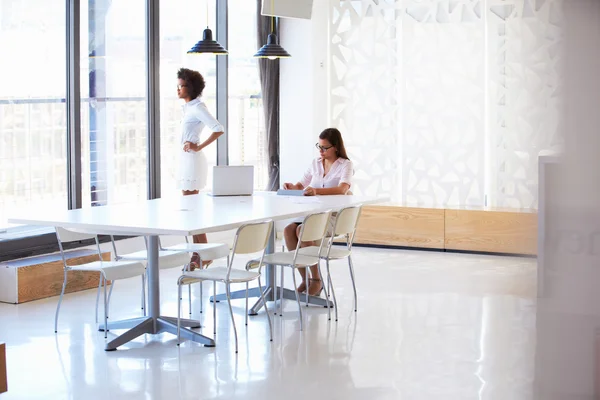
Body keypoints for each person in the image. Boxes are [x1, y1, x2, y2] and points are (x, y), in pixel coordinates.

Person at [281, 127, 353, 296]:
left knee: (302, 230)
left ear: (335, 147)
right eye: (319, 146)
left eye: (325, 147)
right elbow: (301, 185)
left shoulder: (346, 165)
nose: (321, 151)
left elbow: (343, 189)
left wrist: (316, 191)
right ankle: (305, 278)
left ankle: (316, 280)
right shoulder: (315, 163)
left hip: (333, 216)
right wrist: (292, 187)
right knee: (289, 230)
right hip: (312, 214)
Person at [176, 68, 224, 270]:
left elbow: (218, 128)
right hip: (185, 159)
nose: (179, 89)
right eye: (178, 85)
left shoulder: (197, 107)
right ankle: (201, 254)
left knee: (192, 210)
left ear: (192, 88)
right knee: (190, 211)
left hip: (193, 160)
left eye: (183, 86)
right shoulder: (188, 108)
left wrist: (199, 146)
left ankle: (201, 254)